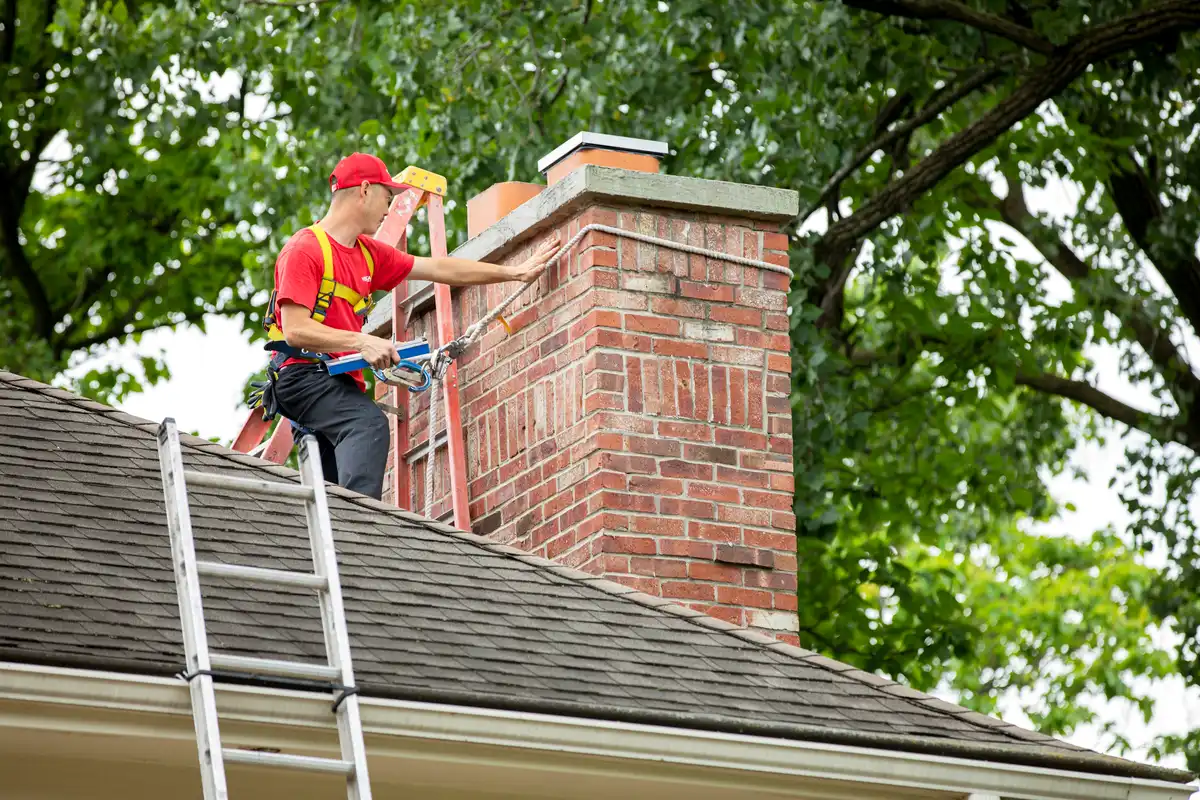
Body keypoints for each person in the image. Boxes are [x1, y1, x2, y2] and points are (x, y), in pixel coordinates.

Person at [255, 152, 560, 499]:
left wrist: (514, 272)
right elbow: (295, 330)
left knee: (330, 494)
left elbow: (441, 268)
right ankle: (362, 525)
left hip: (336, 382)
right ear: (364, 190)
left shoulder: (368, 254)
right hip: (303, 376)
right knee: (367, 425)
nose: (389, 210)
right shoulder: (305, 249)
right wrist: (363, 342)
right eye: (388, 198)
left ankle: (344, 529)